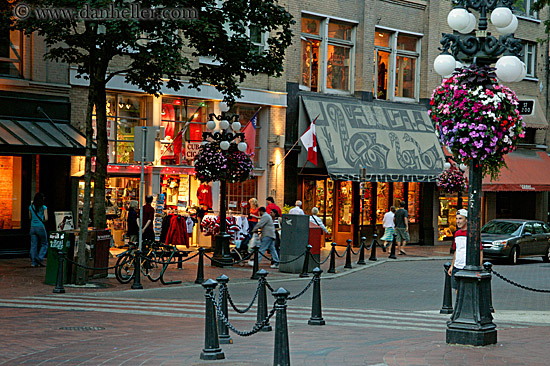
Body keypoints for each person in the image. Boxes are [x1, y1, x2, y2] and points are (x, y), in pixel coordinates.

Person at [447, 209, 482, 293]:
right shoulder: (456, 233)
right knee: (457, 291)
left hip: (467, 267)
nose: (458, 221)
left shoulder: (472, 234)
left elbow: (480, 251)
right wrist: (452, 266)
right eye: (457, 219)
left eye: (460, 219)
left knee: (467, 292)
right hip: (457, 267)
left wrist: (479, 267)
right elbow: (456, 250)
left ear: (466, 220)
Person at [29, 192, 48, 267]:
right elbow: (46, 218)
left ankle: (33, 262)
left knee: (33, 244)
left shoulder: (31, 207)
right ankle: (39, 257)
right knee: (44, 243)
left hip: (32, 227)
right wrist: (42, 219)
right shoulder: (44, 207)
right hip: (40, 227)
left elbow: (30, 217)